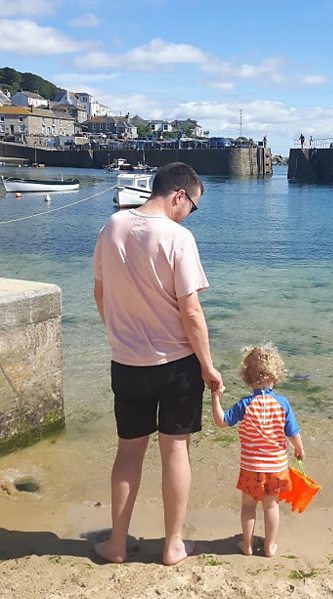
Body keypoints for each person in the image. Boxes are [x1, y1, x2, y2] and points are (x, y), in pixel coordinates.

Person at [93, 162, 223, 566]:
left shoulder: (111, 227)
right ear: (179, 195)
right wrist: (209, 366)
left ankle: (116, 544)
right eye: (193, 207)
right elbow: (192, 312)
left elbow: (100, 293)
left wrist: (121, 336)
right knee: (175, 451)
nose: (190, 215)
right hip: (176, 365)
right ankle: (172, 546)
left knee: (128, 453)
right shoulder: (178, 237)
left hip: (126, 362)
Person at [211, 344, 305, 558]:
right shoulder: (282, 403)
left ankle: (247, 545)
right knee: (271, 507)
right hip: (276, 468)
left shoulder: (245, 404)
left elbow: (221, 421)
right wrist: (299, 450)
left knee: (248, 507)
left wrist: (216, 397)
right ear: (275, 375)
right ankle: (270, 546)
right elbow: (293, 433)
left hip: (251, 468)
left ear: (247, 378)